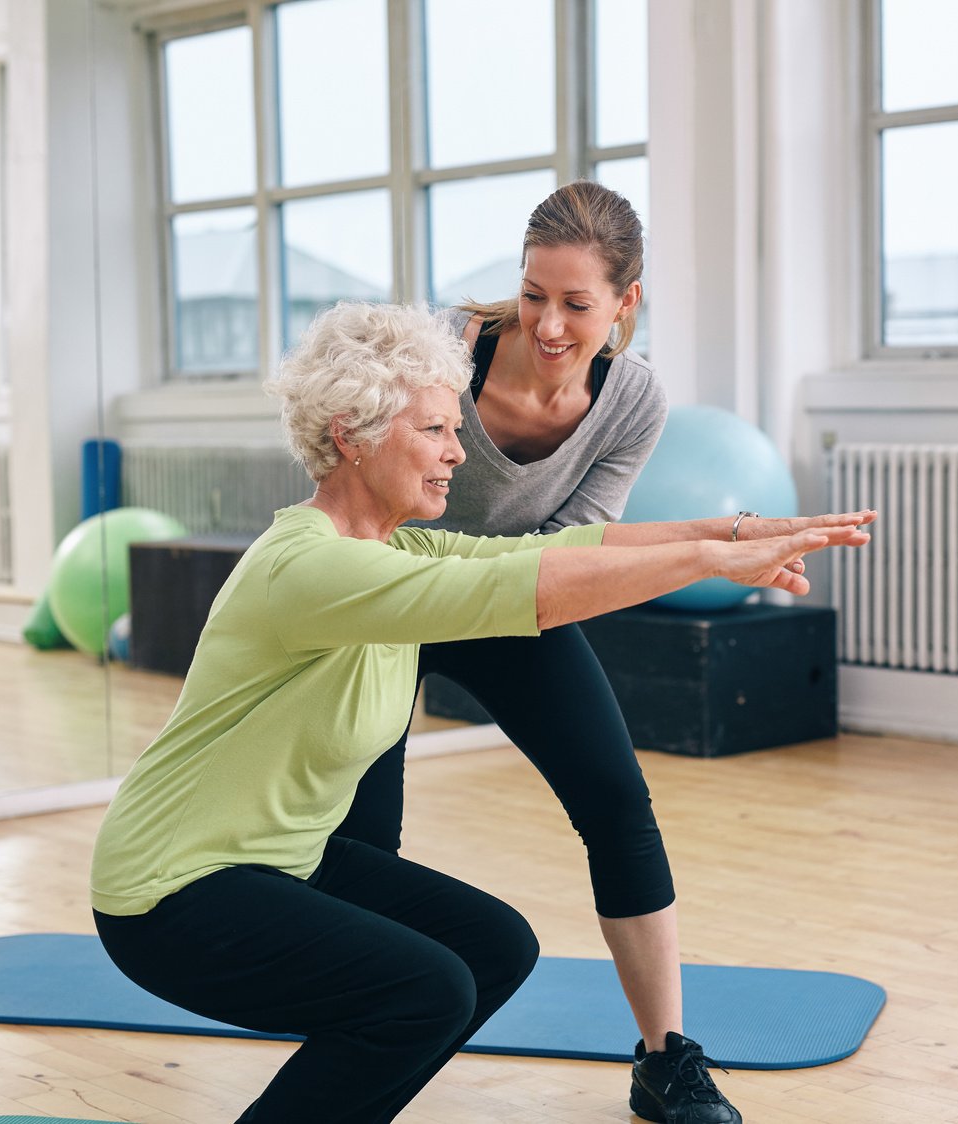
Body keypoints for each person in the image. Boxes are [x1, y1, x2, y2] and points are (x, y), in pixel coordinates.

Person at [89, 300, 872, 1124]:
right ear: (351, 433)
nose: (459, 453)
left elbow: (555, 551)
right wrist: (710, 561)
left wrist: (737, 529)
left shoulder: (396, 545)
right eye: (434, 431)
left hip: (279, 858)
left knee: (493, 949)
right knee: (423, 990)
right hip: (171, 891)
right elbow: (519, 590)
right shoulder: (308, 568)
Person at [334, 179, 829, 1123]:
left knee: (616, 802)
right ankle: (361, 1032)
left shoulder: (631, 399)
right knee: (365, 838)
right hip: (393, 596)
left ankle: (664, 1060)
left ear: (624, 303)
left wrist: (717, 544)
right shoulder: (441, 353)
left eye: (576, 303)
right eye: (532, 295)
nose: (549, 324)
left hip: (516, 601)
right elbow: (353, 480)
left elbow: (575, 548)